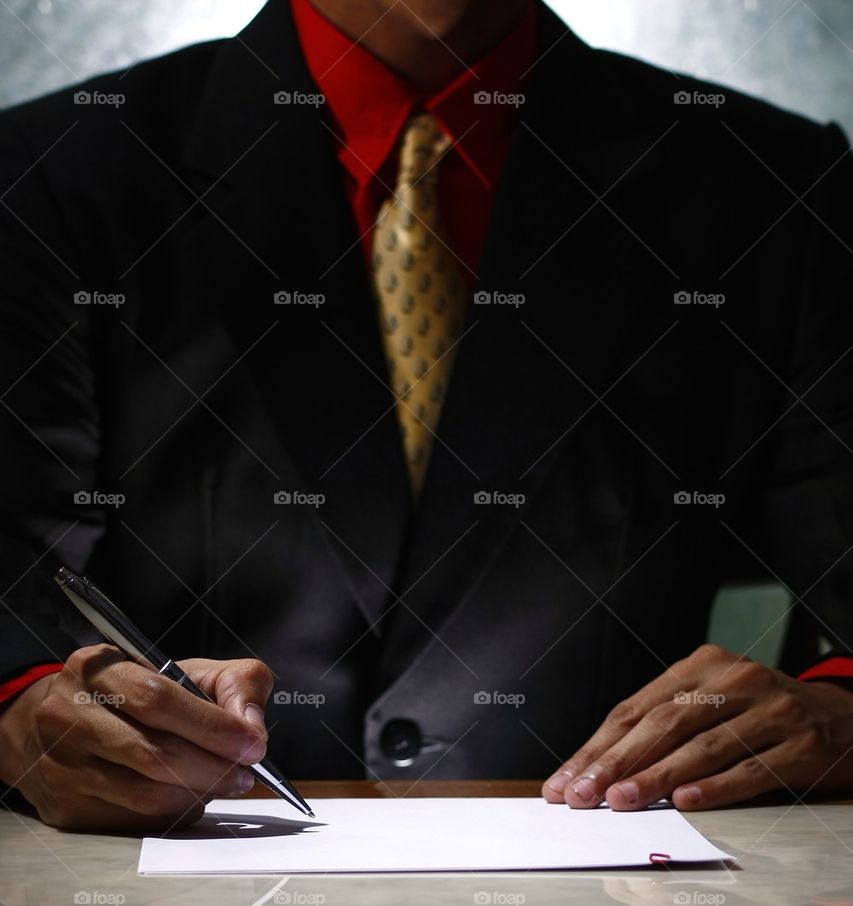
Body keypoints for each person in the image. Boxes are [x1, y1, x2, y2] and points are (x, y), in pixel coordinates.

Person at [1, 0, 852, 832]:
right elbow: (14, 597)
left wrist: (838, 711)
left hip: (638, 905)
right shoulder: (53, 169)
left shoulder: (769, 182)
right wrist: (23, 713)